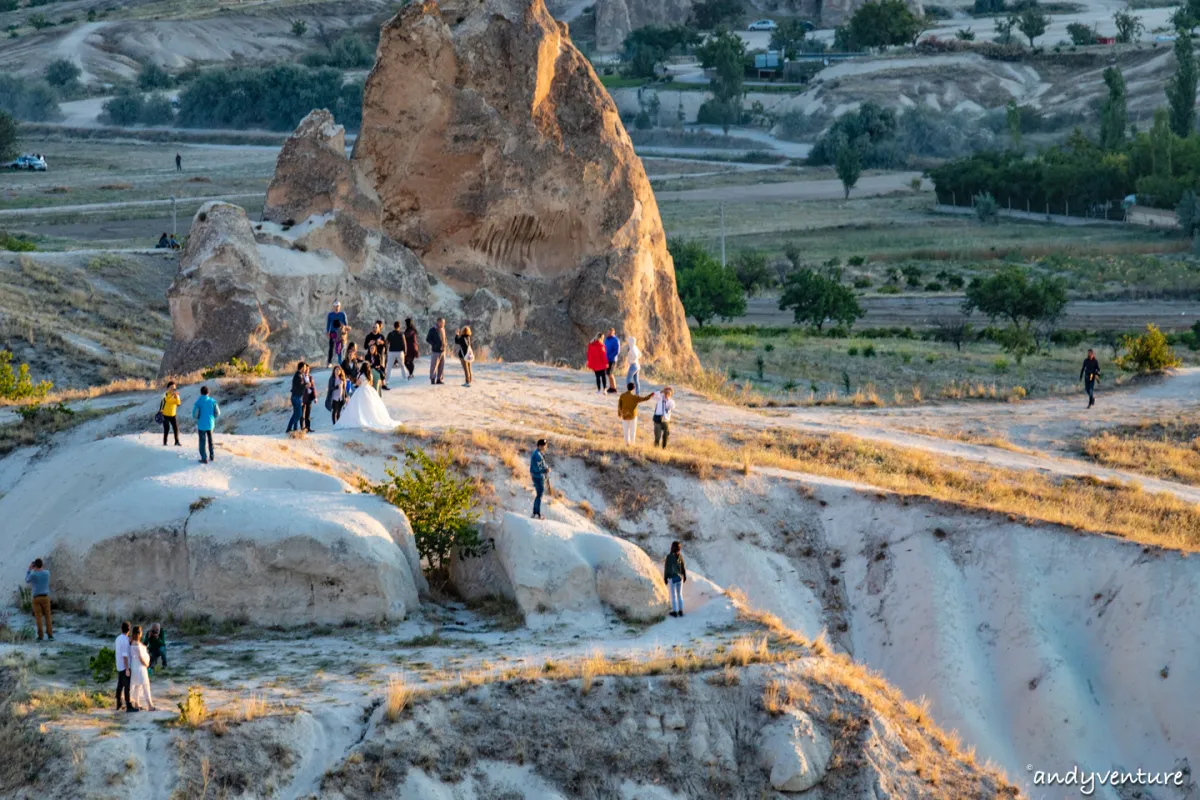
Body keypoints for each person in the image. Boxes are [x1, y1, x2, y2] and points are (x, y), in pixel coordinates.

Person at [339, 362, 401, 430]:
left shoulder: (361, 375)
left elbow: (358, 383)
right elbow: (371, 383)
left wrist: (355, 382)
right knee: (370, 405)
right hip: (369, 389)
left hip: (362, 390)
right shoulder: (370, 375)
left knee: (360, 405)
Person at [128, 626, 155, 712]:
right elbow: (140, 657)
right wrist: (146, 664)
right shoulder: (136, 644)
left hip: (134, 666)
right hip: (140, 666)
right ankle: (150, 705)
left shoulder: (132, 642)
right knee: (145, 685)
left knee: (137, 686)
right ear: (139, 634)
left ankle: (137, 704)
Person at [24, 559, 52, 641]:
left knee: (38, 617)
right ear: (42, 565)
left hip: (36, 598)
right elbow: (43, 570)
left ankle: (40, 636)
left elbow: (27, 580)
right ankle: (50, 635)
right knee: (48, 616)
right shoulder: (47, 573)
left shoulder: (33, 575)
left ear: (34, 566)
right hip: (45, 597)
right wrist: (39, 567)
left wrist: (29, 569)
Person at [192, 385, 220, 464]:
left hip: (201, 425)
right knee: (210, 440)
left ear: (200, 393)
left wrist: (198, 418)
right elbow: (218, 412)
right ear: (208, 393)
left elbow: (194, 414)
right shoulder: (212, 401)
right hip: (211, 424)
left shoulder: (198, 402)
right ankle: (212, 456)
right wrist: (212, 417)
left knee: (202, 442)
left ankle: (204, 458)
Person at [663, 541, 687, 618]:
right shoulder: (680, 556)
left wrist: (665, 577)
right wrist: (685, 576)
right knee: (680, 594)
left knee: (674, 595)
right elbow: (683, 567)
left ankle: (675, 612)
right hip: (680, 578)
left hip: (673, 578)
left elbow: (667, 568)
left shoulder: (669, 557)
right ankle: (681, 611)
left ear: (672, 547)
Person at [530, 438, 551, 520]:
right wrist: (546, 470)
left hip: (537, 476)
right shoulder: (537, 455)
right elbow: (538, 468)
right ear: (540, 446)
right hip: (538, 477)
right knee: (539, 495)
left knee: (539, 495)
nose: (545, 447)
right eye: (544, 445)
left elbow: (540, 465)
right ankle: (537, 513)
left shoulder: (538, 453)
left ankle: (535, 512)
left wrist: (545, 468)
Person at [115, 621, 133, 712]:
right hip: (125, 666)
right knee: (127, 686)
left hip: (119, 664)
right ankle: (128, 705)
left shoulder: (118, 638)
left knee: (120, 685)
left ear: (121, 629)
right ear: (129, 630)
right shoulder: (126, 640)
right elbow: (125, 655)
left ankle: (118, 702)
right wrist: (127, 669)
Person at [325, 301, 348, 367]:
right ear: (333, 307)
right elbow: (328, 323)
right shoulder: (330, 314)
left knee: (340, 348)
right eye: (335, 306)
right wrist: (327, 331)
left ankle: (341, 361)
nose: (336, 308)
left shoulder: (342, 314)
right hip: (333, 332)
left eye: (338, 306)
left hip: (340, 332)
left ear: (340, 307)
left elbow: (346, 323)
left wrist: (345, 331)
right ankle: (329, 362)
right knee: (331, 347)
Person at [160, 381, 182, 446]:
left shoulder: (176, 395)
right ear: (168, 388)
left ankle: (177, 441)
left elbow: (178, 403)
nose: (173, 389)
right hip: (165, 414)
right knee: (167, 428)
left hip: (173, 414)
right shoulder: (164, 394)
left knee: (176, 428)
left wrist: (177, 397)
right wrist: (172, 395)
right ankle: (165, 442)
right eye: (171, 387)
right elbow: (167, 400)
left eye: (174, 388)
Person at [286, 362, 306, 433]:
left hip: (295, 397)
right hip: (297, 397)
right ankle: (294, 429)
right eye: (304, 367)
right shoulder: (298, 376)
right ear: (302, 368)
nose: (305, 369)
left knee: (295, 414)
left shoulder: (299, 375)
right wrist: (306, 385)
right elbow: (300, 387)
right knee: (299, 414)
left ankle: (290, 429)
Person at [385, 321, 406, 389]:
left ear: (394, 326)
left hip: (391, 352)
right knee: (402, 366)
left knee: (389, 367)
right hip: (399, 352)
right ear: (399, 326)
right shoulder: (401, 334)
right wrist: (405, 351)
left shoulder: (390, 334)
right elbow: (404, 343)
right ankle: (405, 378)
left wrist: (386, 350)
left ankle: (387, 380)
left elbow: (387, 342)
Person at [427, 318, 447, 384]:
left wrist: (445, 343)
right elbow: (428, 339)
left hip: (443, 351)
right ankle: (432, 379)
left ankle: (439, 379)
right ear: (438, 322)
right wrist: (434, 344)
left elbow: (444, 338)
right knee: (434, 365)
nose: (444, 324)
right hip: (435, 351)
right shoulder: (432, 330)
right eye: (442, 323)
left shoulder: (443, 329)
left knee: (441, 366)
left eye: (444, 323)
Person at [604, 328, 621, 394]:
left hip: (612, 360)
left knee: (610, 373)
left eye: (610, 332)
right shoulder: (607, 339)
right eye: (608, 332)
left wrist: (609, 357)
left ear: (613, 333)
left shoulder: (616, 340)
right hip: (606, 359)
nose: (608, 333)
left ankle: (614, 388)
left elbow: (617, 351)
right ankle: (611, 387)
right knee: (608, 373)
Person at [301, 364, 316, 433]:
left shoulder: (310, 377)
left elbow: (313, 388)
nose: (307, 370)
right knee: (302, 414)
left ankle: (308, 428)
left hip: (309, 398)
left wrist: (315, 397)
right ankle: (302, 429)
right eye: (306, 369)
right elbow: (300, 386)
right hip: (303, 398)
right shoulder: (301, 377)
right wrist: (305, 385)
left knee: (308, 414)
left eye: (308, 369)